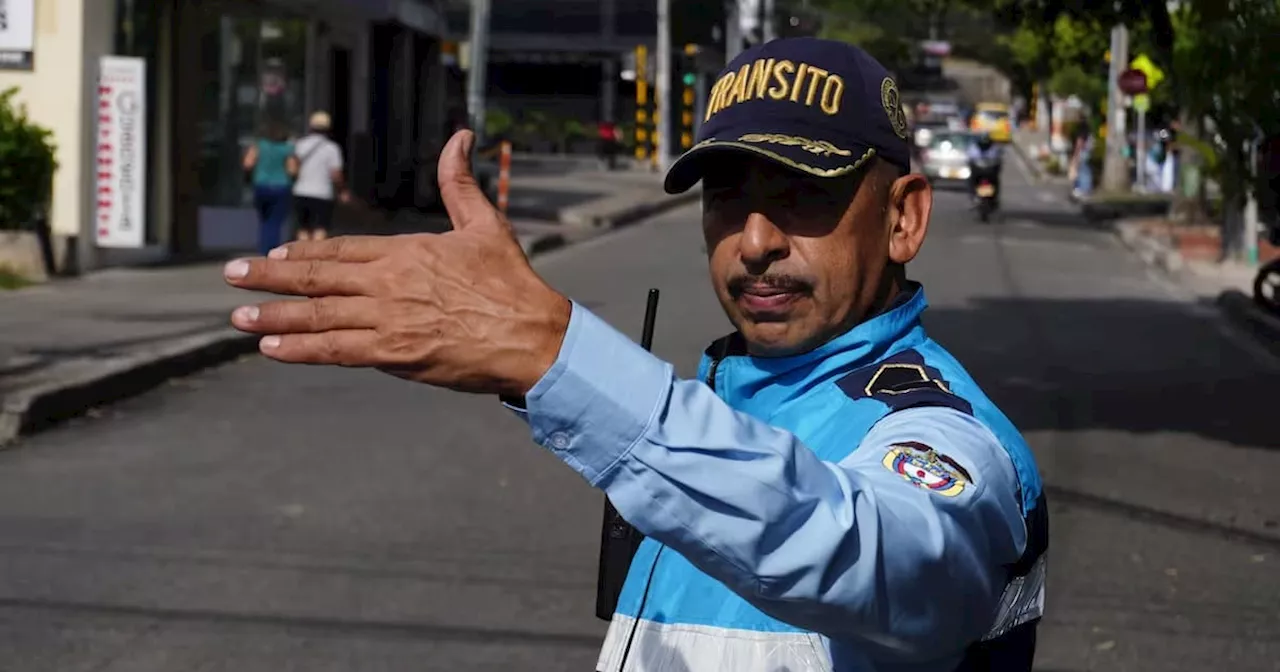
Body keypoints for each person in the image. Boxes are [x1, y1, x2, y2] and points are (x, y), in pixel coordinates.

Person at [224, 38, 1047, 672]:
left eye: (803, 196)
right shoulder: (729, 400)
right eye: (728, 197)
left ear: (902, 219)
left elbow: (870, 555)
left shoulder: (942, 433)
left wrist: (555, 356)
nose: (754, 242)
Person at [290, 111, 349, 242]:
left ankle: (303, 256)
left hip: (301, 191)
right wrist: (342, 190)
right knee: (320, 228)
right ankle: (316, 257)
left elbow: (292, 168)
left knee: (303, 228)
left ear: (310, 127)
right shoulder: (332, 148)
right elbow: (336, 174)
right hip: (323, 193)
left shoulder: (300, 145)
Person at [241, 121, 295, 256]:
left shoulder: (259, 145)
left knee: (264, 220)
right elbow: (292, 170)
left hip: (261, 186)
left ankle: (263, 249)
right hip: (281, 187)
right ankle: (272, 249)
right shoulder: (287, 148)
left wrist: (249, 177)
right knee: (275, 221)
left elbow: (248, 163)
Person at [966, 132, 1003, 205]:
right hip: (978, 171)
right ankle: (974, 196)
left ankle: (994, 197)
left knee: (995, 182)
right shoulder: (974, 148)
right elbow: (969, 159)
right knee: (971, 181)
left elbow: (999, 161)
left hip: (990, 172)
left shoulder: (994, 148)